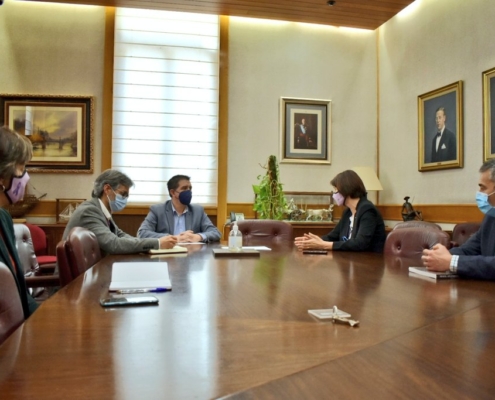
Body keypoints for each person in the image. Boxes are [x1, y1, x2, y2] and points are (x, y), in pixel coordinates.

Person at [63, 169, 177, 256]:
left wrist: (154, 243)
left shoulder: (103, 211)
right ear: (107, 189)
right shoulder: (89, 211)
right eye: (123, 194)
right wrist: (157, 243)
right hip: (78, 281)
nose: (125, 199)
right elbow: (114, 244)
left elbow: (121, 235)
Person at [422, 159, 495, 279]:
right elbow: (468, 250)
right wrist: (438, 256)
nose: (479, 193)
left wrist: (451, 262)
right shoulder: (490, 217)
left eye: (483, 188)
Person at [294, 170, 386, 252]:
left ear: (346, 189)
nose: (335, 194)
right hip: (351, 262)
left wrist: (323, 245)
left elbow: (360, 243)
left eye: (336, 190)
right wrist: (313, 242)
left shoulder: (367, 210)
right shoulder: (348, 212)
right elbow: (332, 236)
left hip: (369, 265)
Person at [0, 126, 38, 318]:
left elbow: (19, 292)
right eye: (22, 167)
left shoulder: (4, 218)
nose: (25, 176)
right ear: (2, 175)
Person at [137, 174, 221, 243]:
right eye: (184, 188)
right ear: (173, 192)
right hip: (167, 254)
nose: (188, 191)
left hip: (192, 255)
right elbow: (142, 233)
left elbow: (215, 233)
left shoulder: (197, 210)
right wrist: (174, 238)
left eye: (190, 188)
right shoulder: (158, 210)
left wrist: (198, 237)